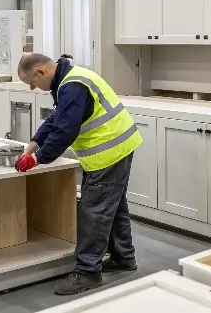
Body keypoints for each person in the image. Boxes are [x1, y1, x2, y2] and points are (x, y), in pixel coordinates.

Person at [13, 53, 142, 296]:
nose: (32, 88)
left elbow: (64, 131)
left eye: (31, 82)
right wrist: (32, 146)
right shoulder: (70, 80)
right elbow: (55, 119)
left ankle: (87, 273)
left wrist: (38, 159)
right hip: (119, 147)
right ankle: (123, 257)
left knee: (94, 211)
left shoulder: (72, 86)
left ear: (41, 71)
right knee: (113, 207)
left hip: (109, 152)